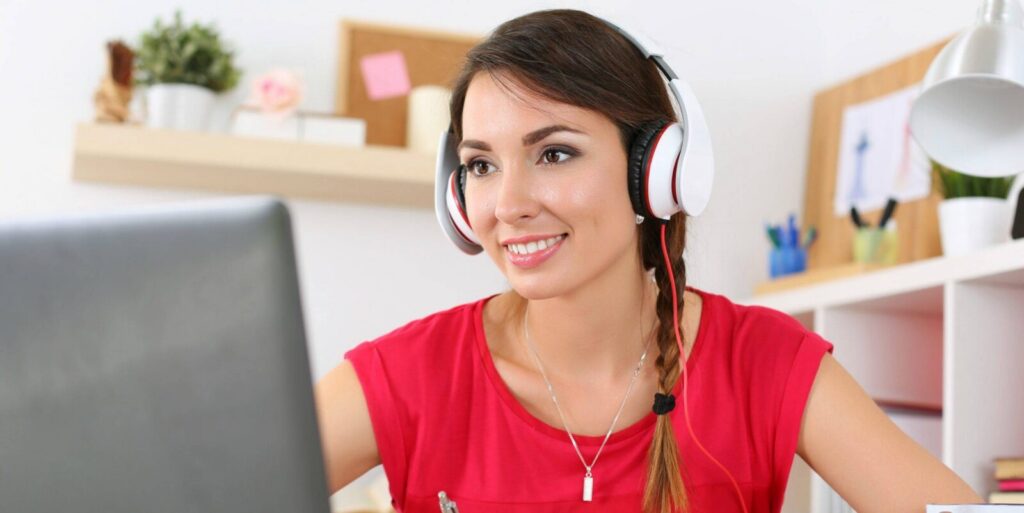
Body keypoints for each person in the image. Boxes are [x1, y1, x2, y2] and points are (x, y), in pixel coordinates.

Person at [314, 9, 981, 513]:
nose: (508, 204)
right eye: (481, 165)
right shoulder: (408, 375)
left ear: (655, 172)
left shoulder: (764, 363)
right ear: (457, 197)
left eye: (554, 153)